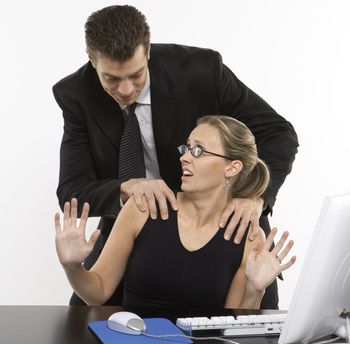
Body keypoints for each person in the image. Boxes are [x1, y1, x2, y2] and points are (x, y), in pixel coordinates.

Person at [52, 5, 299, 308]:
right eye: (112, 79)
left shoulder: (201, 71)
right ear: (92, 60)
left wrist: (256, 198)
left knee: (252, 329)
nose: (126, 89)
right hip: (140, 233)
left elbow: (279, 133)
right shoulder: (77, 95)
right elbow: (72, 190)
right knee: (81, 324)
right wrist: (125, 188)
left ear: (148, 54)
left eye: (136, 74)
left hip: (223, 227)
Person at [55, 116, 296, 308]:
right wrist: (72, 267)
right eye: (187, 148)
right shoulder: (142, 208)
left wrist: (256, 289)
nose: (184, 157)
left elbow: (231, 328)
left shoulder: (248, 236)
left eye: (198, 151)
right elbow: (97, 293)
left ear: (232, 167)